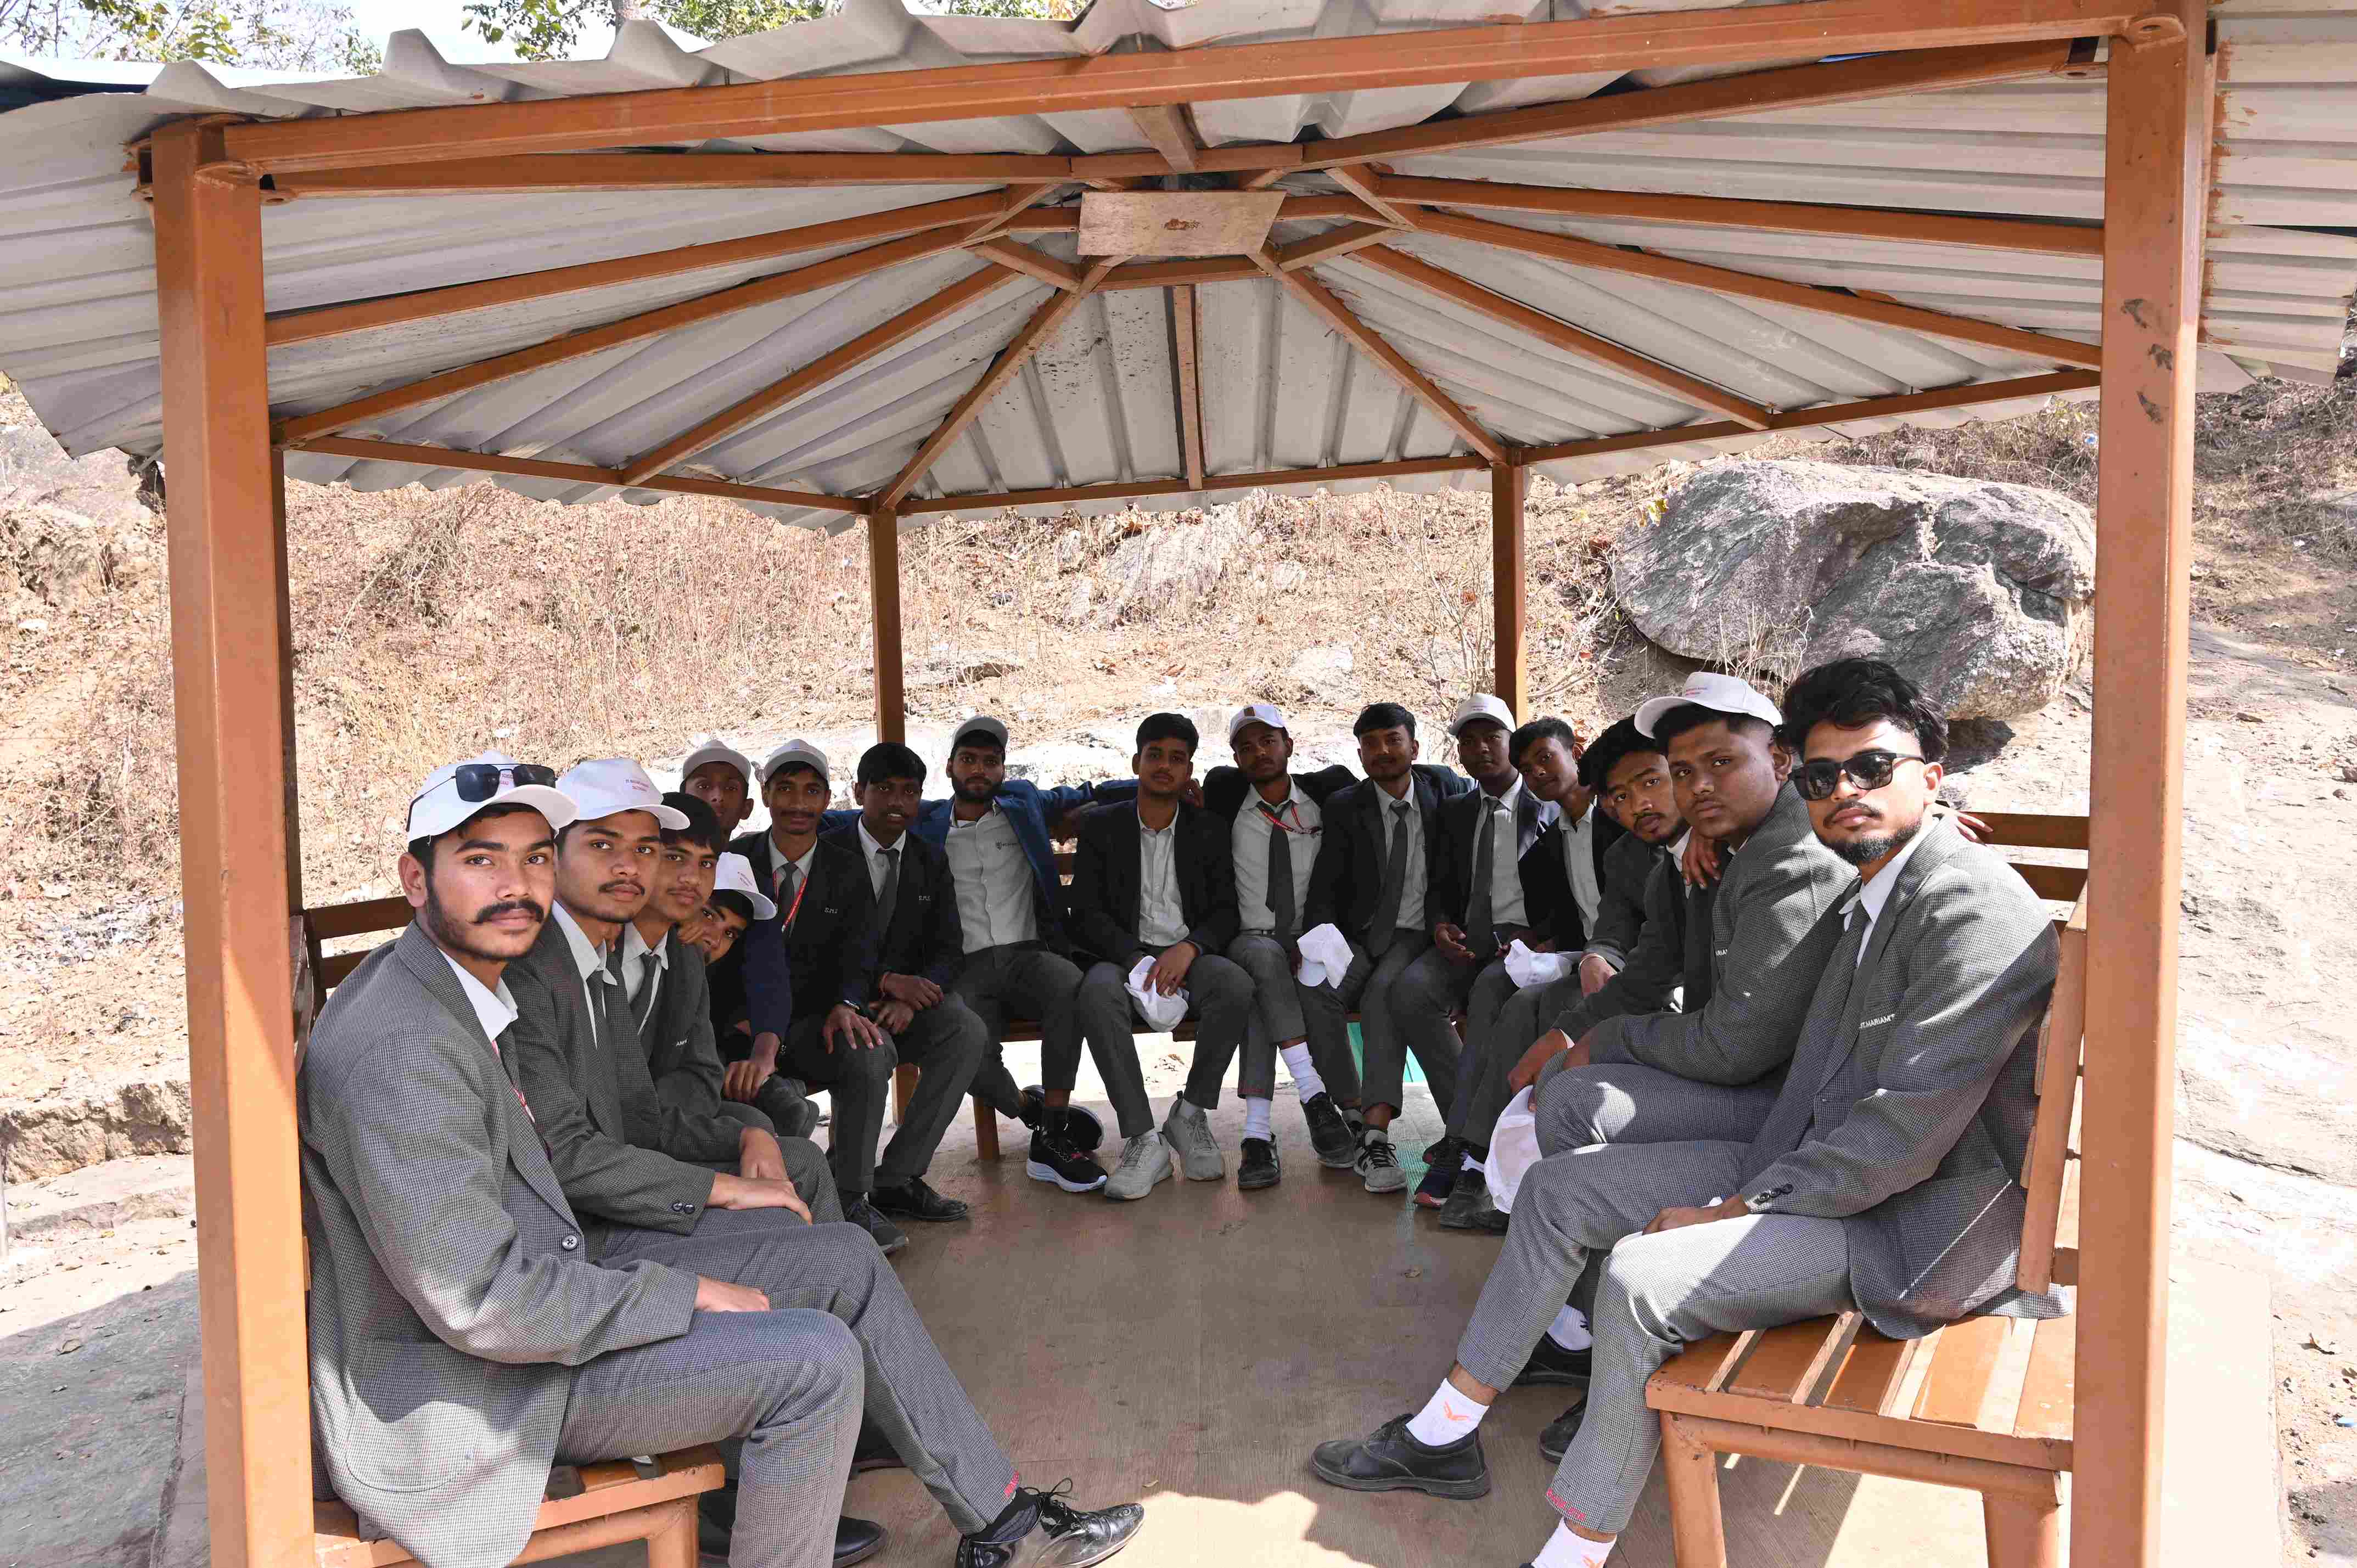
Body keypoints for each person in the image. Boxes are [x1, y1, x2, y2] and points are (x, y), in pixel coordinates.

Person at [1309, 657, 2064, 1568]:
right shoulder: (1870, 878)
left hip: (1905, 1228)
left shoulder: (1961, 905)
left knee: (1639, 1276)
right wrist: (1697, 857)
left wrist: (1735, 1209)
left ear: (1931, 778)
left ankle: (1573, 1553)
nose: (1844, 792)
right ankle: (1444, 1431)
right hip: (1814, 1157)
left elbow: (1901, 1134)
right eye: (1824, 776)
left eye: (1872, 768)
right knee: (1555, 1190)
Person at [304, 755, 1148, 1568]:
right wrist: (682, 1290)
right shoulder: (406, 1047)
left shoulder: (466, 983)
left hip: (551, 1287)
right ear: (415, 879)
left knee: (842, 1255)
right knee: (811, 1361)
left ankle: (1001, 1521)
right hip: (483, 1385)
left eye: (531, 859)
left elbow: (631, 1118)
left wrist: (741, 1142)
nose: (516, 885)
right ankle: (763, 1499)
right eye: (480, 860)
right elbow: (485, 1303)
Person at [1502, 675, 1854, 1167]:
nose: (1699, 786)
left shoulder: (1790, 857)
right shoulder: (1695, 857)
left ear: (1780, 760)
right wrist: (1570, 1034)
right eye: (1684, 772)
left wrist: (1608, 1040)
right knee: (1555, 1125)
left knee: (1571, 1103)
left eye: (1721, 762)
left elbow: (1734, 1046)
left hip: (1799, 1107)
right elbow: (1646, 976)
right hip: (1747, 1067)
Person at [874, 716, 1134, 1196]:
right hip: (963, 965)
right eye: (969, 759)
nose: (980, 769)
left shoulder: (1023, 802)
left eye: (991, 761)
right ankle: (1028, 1109)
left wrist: (1161, 786)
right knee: (965, 1042)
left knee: (1069, 985)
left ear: (1003, 769)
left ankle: (1052, 1133)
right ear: (950, 766)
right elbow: (854, 817)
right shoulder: (925, 820)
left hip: (1029, 954)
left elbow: (1089, 792)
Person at [723, 740, 909, 1255]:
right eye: (785, 789)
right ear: (765, 795)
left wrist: (847, 1003)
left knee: (870, 1051)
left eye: (811, 791)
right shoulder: (736, 861)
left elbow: (861, 955)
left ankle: (851, 1195)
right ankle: (774, 1202)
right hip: (740, 1031)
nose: (798, 804)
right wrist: (740, 1019)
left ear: (828, 799)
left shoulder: (847, 869)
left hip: (810, 1027)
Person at [1067, 712, 1254, 1200]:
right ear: (1137, 762)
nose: (1165, 766)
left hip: (1187, 954)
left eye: (1177, 758)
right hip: (1121, 956)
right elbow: (1085, 913)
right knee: (1096, 992)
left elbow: (1226, 911)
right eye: (1155, 755)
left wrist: (1189, 948)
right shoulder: (1103, 826)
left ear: (1189, 770)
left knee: (1234, 984)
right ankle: (1142, 1138)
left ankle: (1189, 1114)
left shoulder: (1208, 829)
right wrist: (1134, 958)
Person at [1300, 702, 1477, 1194]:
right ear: (1359, 754)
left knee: (1383, 992)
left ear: (1414, 747)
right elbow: (1326, 883)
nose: (1382, 751)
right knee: (1315, 987)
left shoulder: (1446, 790)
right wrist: (1318, 941)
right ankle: (1353, 1114)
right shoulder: (1345, 805)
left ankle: (1377, 1137)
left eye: (1392, 740)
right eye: (1371, 744)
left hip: (1419, 932)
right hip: (1360, 936)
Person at [1410, 698, 1574, 1216]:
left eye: (1492, 737)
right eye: (1468, 740)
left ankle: (1461, 1140)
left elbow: (1568, 898)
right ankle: (1465, 1114)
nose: (1480, 748)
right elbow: (1439, 884)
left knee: (1488, 993)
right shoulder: (1456, 810)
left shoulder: (1550, 804)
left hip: (1525, 945)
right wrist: (1440, 924)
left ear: (1511, 742)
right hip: (1466, 940)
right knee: (1410, 991)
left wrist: (1538, 935)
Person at [820, 741, 992, 1226]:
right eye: (884, 789)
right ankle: (851, 1193)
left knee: (965, 1030)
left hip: (904, 1006)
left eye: (910, 791)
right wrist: (886, 983)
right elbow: (814, 949)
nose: (898, 802)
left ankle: (899, 1176)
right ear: (859, 792)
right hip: (838, 1003)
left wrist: (915, 999)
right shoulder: (827, 852)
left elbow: (950, 950)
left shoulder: (929, 860)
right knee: (870, 1052)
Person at [1211, 702, 1362, 1188]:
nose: (1259, 752)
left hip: (1310, 939)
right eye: (1246, 747)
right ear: (1236, 759)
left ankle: (1257, 1135)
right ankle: (1318, 1096)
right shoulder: (1225, 805)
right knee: (1263, 960)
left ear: (1289, 745)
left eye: (1268, 741)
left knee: (1262, 990)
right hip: (1251, 939)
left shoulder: (1325, 801)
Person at [624, 792, 810, 1142]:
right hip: (621, 1130)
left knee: (771, 1138)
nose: (691, 879)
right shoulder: (613, 945)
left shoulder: (687, 962)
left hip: (659, 1114)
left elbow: (703, 1071)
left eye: (730, 934)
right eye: (708, 915)